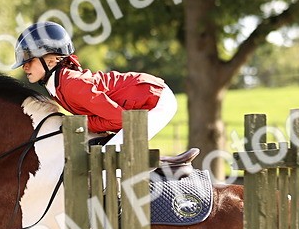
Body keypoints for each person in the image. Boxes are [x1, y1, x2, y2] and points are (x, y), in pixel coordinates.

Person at [12, 21, 178, 146]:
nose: (24, 67)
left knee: (109, 159)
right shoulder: (56, 86)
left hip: (155, 100)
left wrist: (82, 124)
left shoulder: (71, 85)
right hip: (138, 104)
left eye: (29, 60)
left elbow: (120, 119)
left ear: (51, 60)